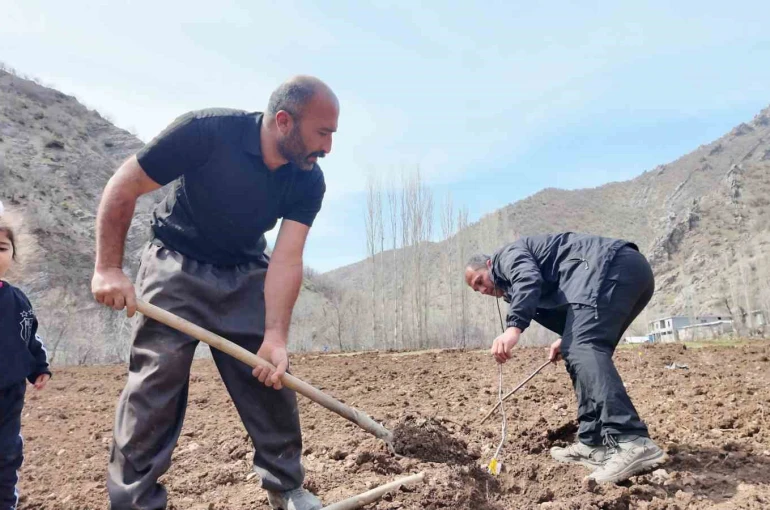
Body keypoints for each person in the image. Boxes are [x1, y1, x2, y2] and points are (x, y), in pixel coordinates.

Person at [91, 76, 339, 510]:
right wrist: (108, 268)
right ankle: (134, 501)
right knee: (156, 380)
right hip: (177, 261)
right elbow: (123, 186)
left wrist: (275, 336)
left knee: (269, 375)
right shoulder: (204, 132)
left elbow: (286, 259)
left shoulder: (308, 181)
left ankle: (285, 486)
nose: (328, 148)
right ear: (283, 121)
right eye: (323, 133)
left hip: (244, 272)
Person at [464, 232, 667, 484]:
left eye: (480, 281)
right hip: (623, 275)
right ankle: (593, 443)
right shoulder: (510, 290)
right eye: (477, 289)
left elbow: (528, 278)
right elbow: (571, 308)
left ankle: (632, 440)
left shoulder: (506, 257)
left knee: (583, 347)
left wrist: (513, 327)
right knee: (577, 349)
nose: (483, 290)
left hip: (611, 269)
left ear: (489, 265)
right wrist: (568, 338)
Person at [0, 203, 51, 510]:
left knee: (6, 455)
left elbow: (29, 335)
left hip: (9, 393)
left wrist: (39, 366)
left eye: (2, 247)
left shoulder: (18, 299)